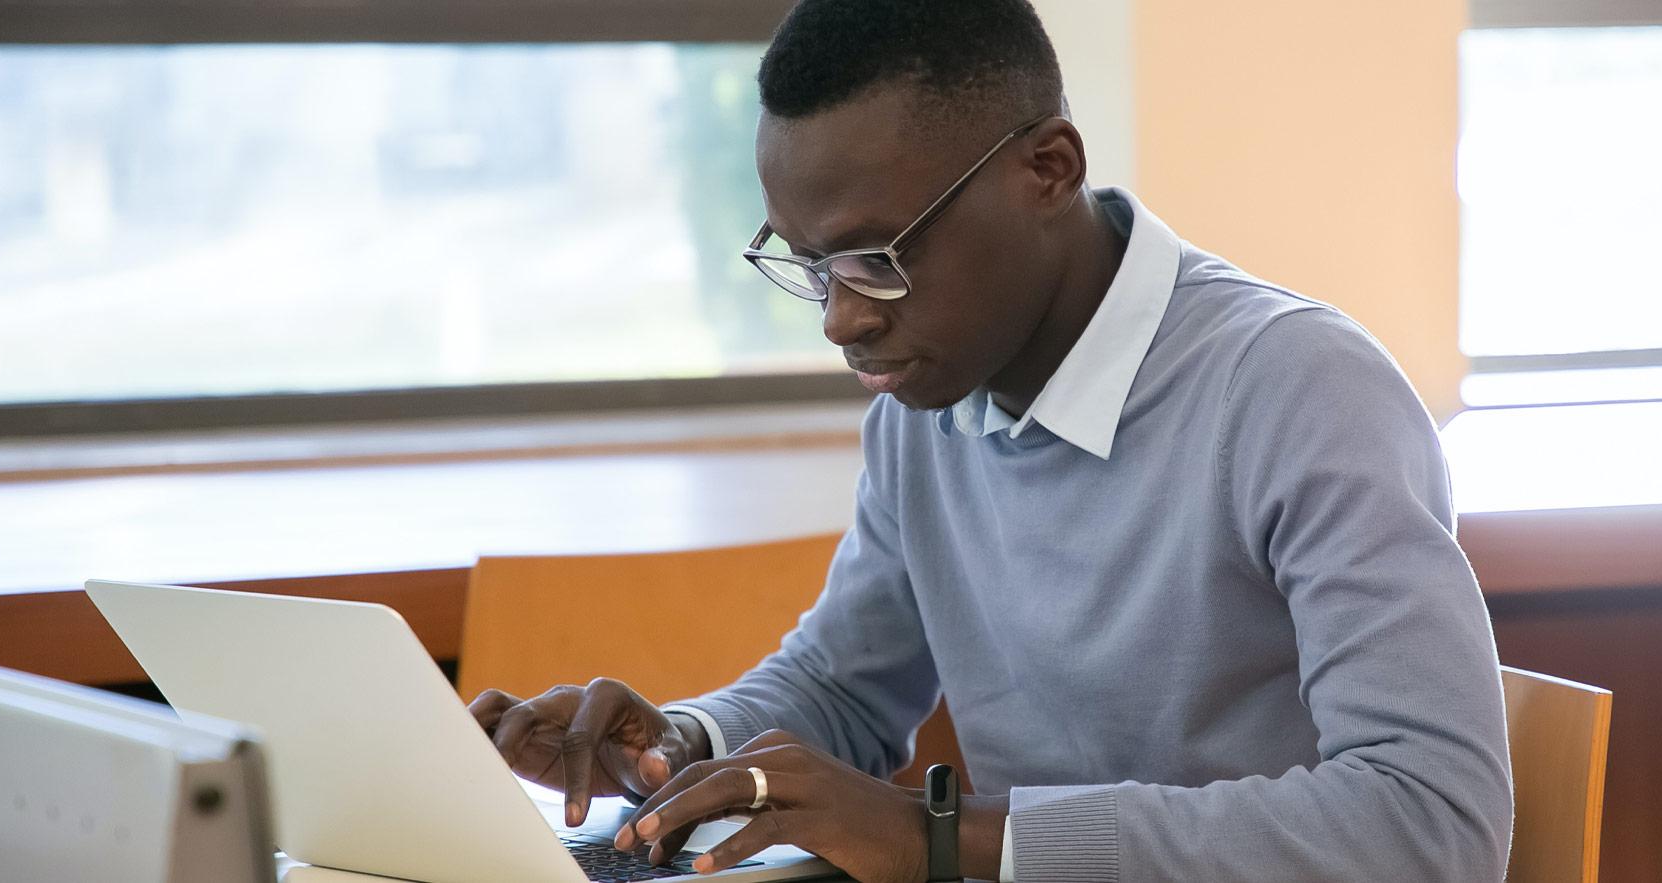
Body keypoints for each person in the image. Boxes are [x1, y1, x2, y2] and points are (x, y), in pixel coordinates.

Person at [467, 1, 1515, 880]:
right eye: (811, 265)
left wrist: (942, 838)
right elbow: (843, 686)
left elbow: (1429, 819)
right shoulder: (928, 405)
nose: (842, 318)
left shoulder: (1300, 389)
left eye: (877, 257)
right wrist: (680, 750)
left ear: (1049, 168)